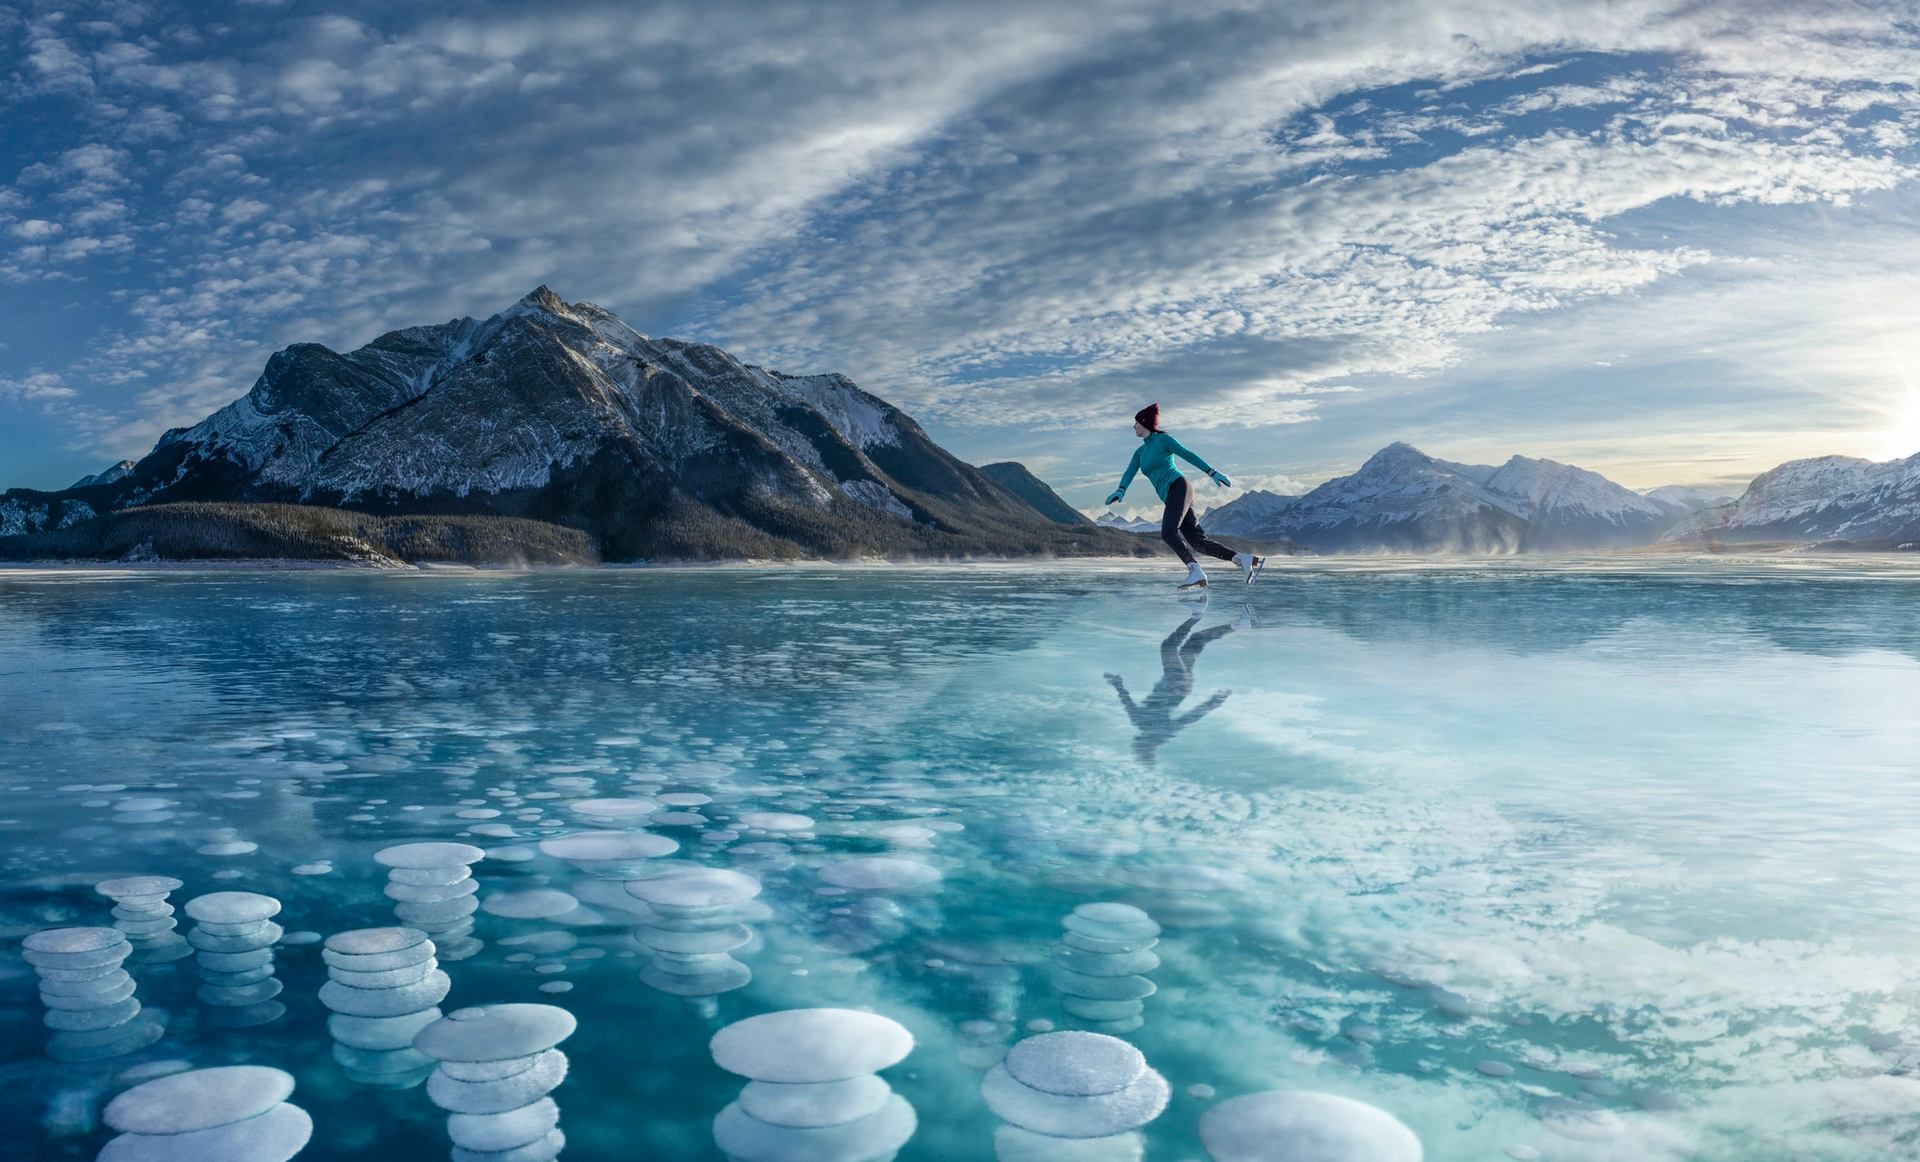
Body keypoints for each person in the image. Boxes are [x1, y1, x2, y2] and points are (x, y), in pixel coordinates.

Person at [1105, 403, 1263, 589]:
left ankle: (1195, 572)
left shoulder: (1164, 440)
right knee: (1197, 541)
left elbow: (1188, 455)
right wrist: (1120, 490)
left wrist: (1212, 472)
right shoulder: (1139, 453)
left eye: (1136, 423)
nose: (1134, 426)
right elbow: (1129, 472)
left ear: (1145, 423)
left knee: (1168, 532)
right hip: (1173, 494)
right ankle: (1241, 559)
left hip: (1179, 486)